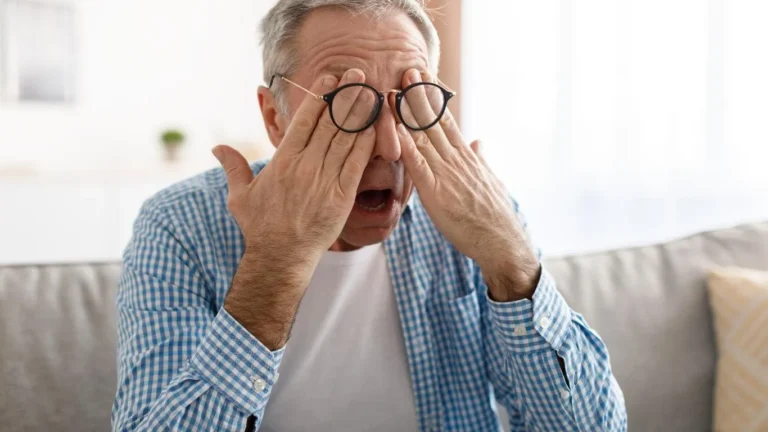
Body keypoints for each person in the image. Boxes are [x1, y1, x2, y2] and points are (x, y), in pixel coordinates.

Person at [112, 0, 627, 431]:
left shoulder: (477, 214)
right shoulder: (179, 226)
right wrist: (277, 262)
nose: (391, 146)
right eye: (349, 105)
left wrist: (511, 263)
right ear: (275, 117)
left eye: (413, 101)